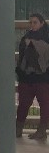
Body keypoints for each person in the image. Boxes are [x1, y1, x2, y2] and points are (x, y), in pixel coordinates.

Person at [16, 12, 49, 141]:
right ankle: (18, 129)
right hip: (27, 78)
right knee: (23, 104)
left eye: (35, 22)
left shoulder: (47, 39)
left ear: (42, 23)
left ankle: (42, 131)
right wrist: (21, 72)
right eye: (30, 22)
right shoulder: (25, 38)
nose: (32, 25)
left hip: (43, 79)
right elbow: (21, 58)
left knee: (45, 105)